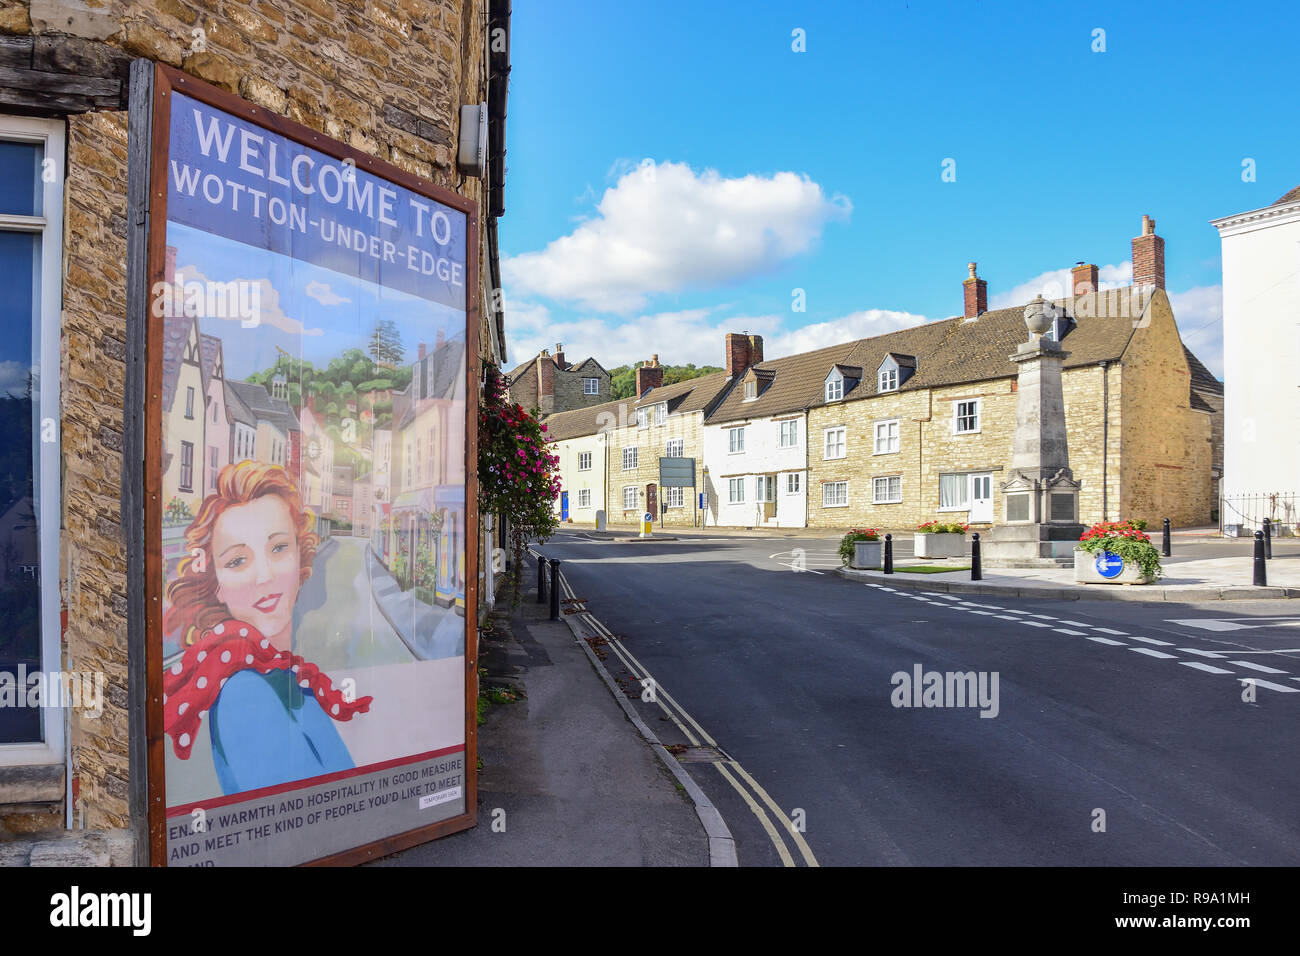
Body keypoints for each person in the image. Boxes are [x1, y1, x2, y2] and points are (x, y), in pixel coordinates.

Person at [162, 459, 371, 796]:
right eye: (237, 561)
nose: (265, 576)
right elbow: (305, 819)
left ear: (300, 556)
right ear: (215, 584)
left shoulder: (283, 670)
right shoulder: (244, 690)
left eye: (278, 548)